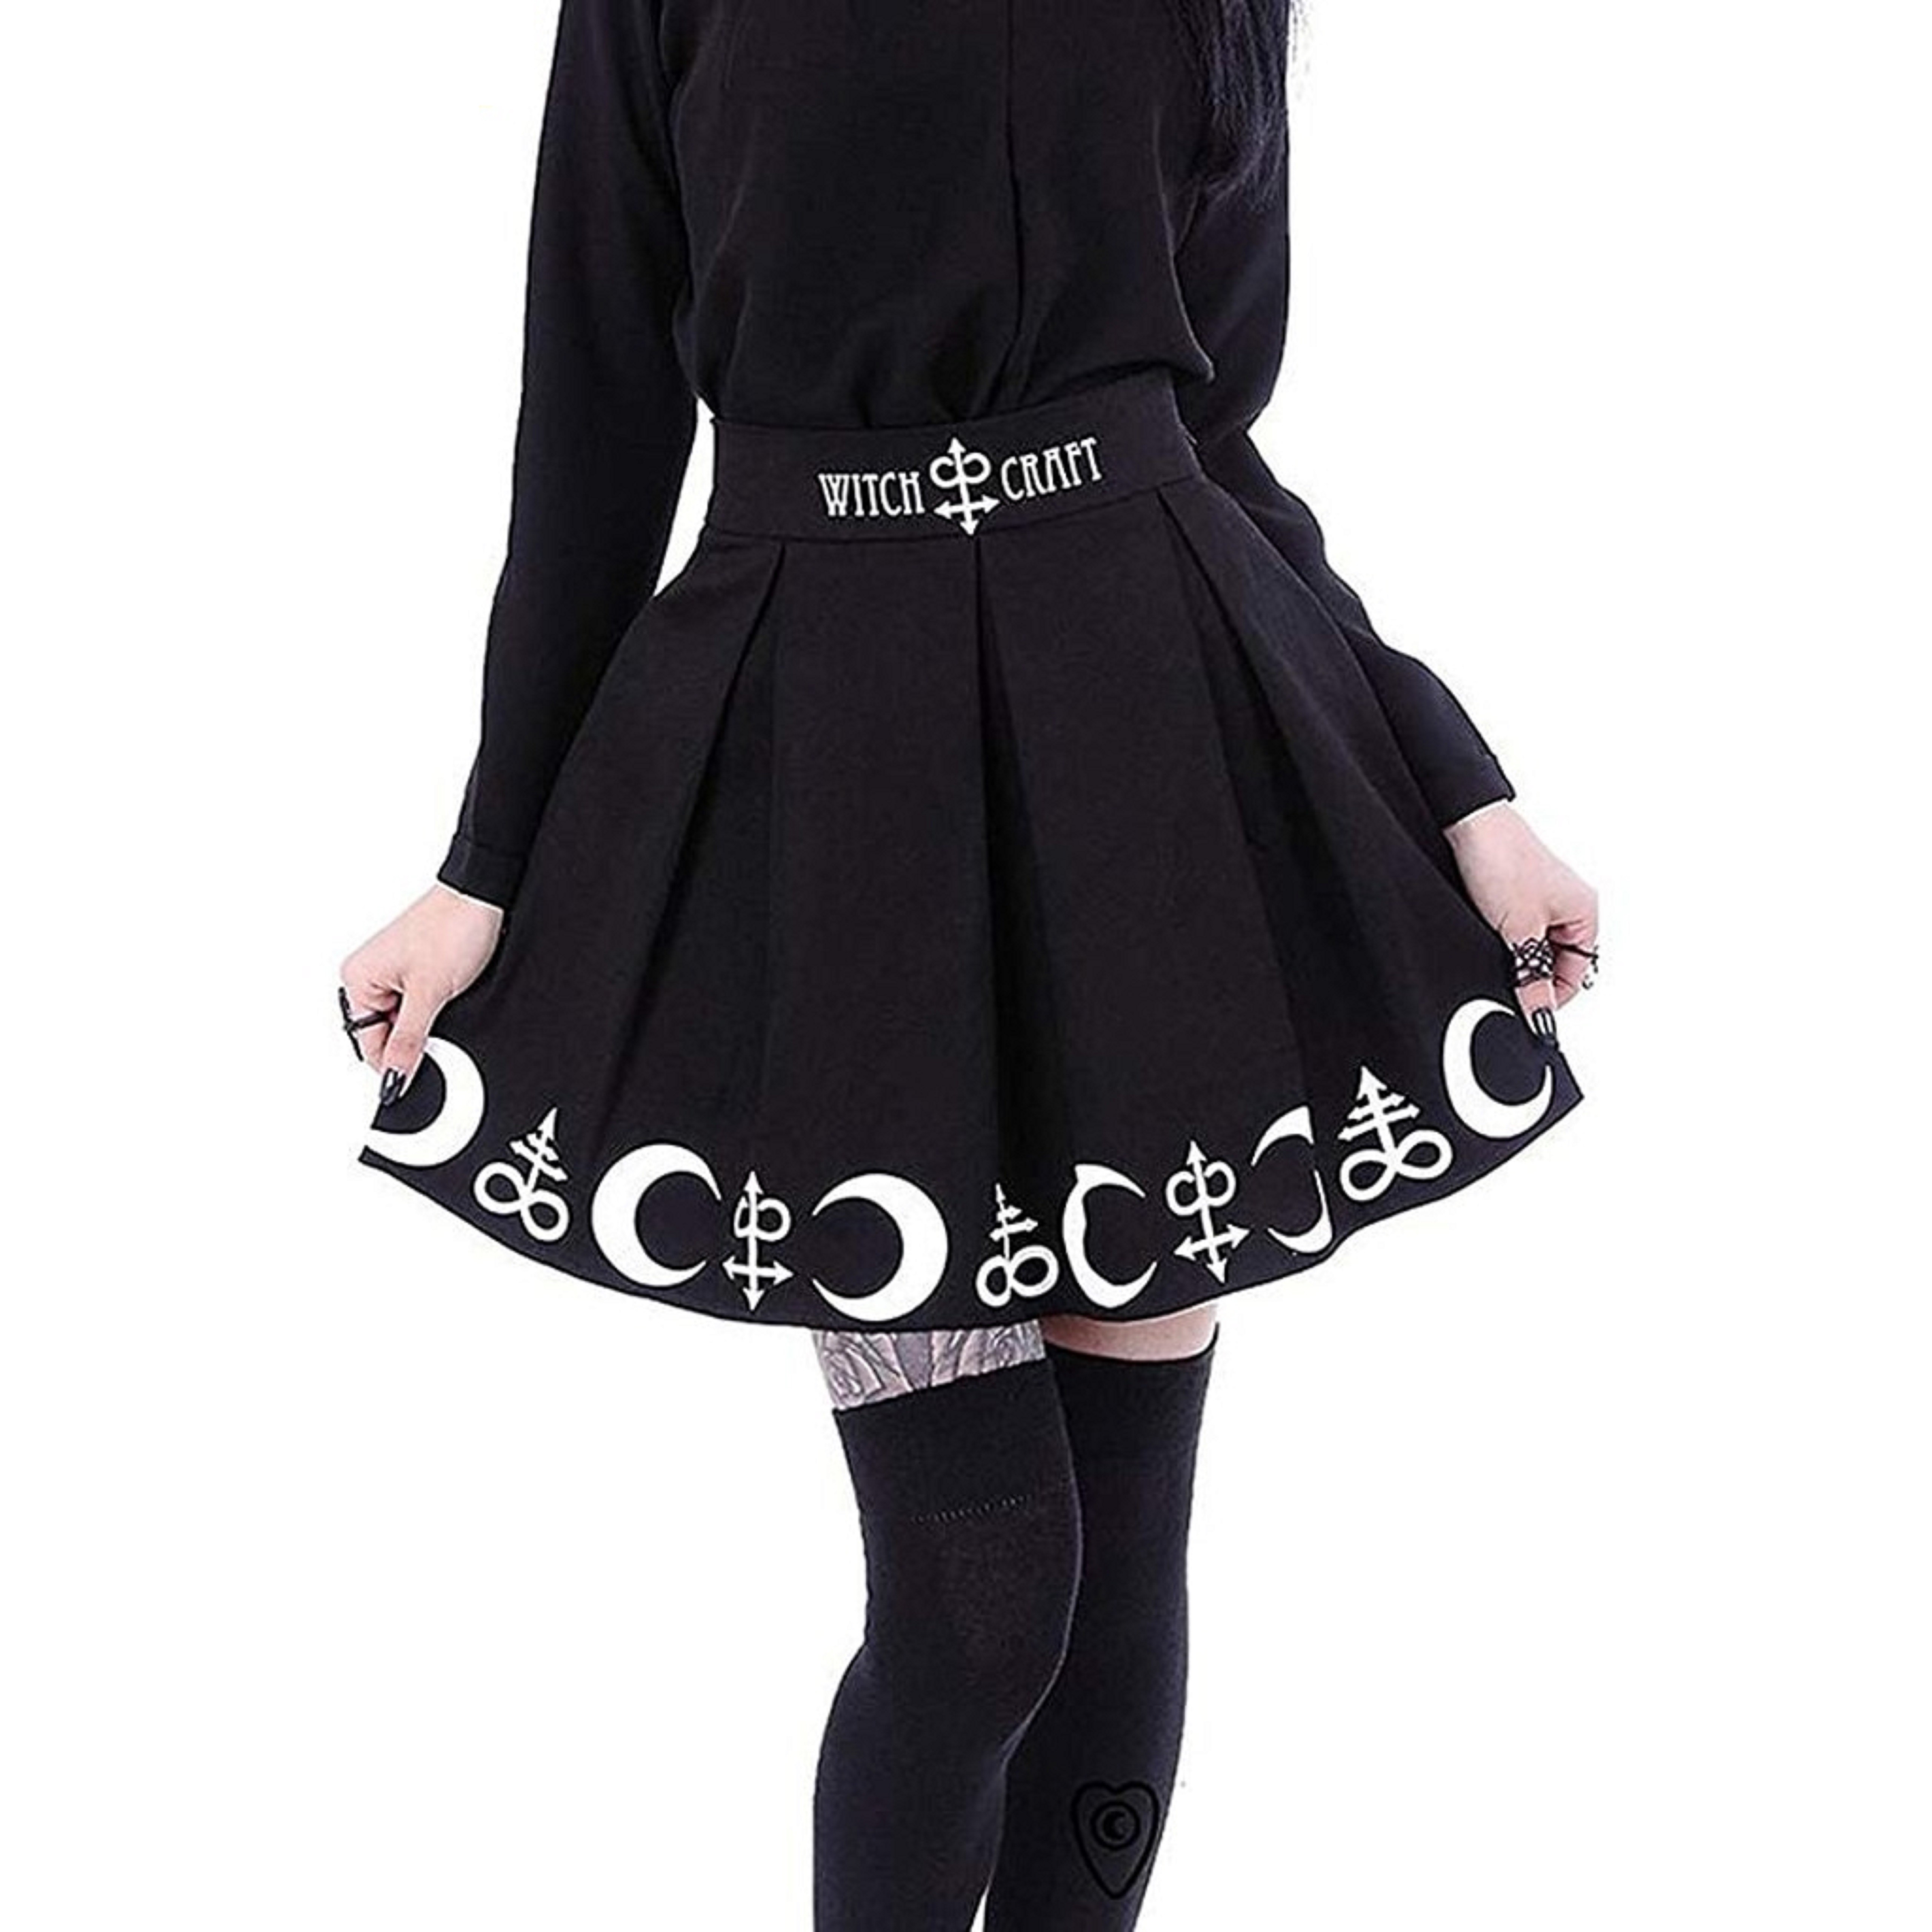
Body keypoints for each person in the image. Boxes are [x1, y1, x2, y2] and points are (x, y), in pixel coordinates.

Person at [337, 1, 1599, 1923]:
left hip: (1150, 763)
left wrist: (1457, 783)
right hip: (837, 774)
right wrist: (483, 863)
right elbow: (594, 412)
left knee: (1120, 1558)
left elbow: (1213, 435)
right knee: (983, 1587)